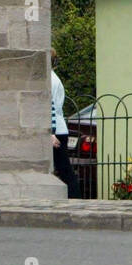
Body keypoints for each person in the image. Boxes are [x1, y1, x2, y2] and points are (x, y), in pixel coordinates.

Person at [49, 50, 81, 198]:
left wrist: (51, 132)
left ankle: (75, 199)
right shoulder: (53, 78)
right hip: (58, 129)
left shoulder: (49, 80)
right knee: (63, 169)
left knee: (64, 169)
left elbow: (51, 107)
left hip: (56, 131)